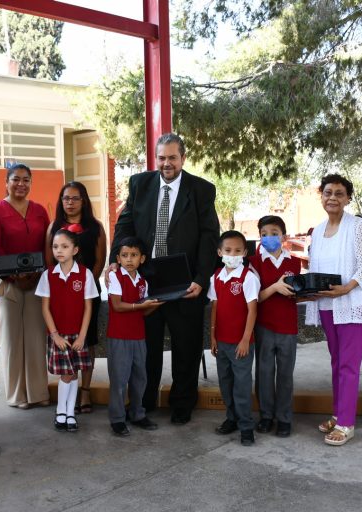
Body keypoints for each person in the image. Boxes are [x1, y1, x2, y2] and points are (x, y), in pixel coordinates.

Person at [111, 133, 220, 425]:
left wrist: (201, 277)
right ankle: (144, 402)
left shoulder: (201, 190)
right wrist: (114, 261)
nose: (166, 163)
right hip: (147, 277)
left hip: (185, 280)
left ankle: (182, 403)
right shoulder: (140, 184)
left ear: (183, 158)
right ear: (155, 158)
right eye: (161, 158)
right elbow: (125, 224)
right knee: (147, 346)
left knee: (186, 345)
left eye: (172, 157)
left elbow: (210, 238)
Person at [304, 175, 362, 446]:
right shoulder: (317, 229)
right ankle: (338, 414)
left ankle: (347, 423)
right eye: (328, 192)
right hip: (328, 304)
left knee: (349, 365)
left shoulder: (358, 226)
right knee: (337, 362)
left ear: (348, 198)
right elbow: (315, 267)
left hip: (352, 304)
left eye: (339, 193)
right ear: (321, 196)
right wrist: (310, 290)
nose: (333, 198)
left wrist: (347, 288)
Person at [0, 163, 51, 409]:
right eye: (16, 179)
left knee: (36, 337)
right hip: (8, 283)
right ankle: (17, 395)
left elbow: (48, 244)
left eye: (26, 180)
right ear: (6, 182)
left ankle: (38, 392)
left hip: (37, 282)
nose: (21, 184)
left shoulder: (39, 211)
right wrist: (14, 275)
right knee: (12, 339)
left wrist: (38, 273)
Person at [47, 181, 106, 414]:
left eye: (75, 198)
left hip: (87, 291)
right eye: (65, 198)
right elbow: (49, 261)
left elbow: (100, 260)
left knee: (87, 341)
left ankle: (85, 391)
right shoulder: (54, 227)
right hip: (61, 294)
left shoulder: (95, 227)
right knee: (65, 338)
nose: (69, 203)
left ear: (84, 201)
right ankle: (67, 386)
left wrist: (85, 284)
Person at [36, 229, 98, 433]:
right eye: (55, 247)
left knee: (72, 374)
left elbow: (88, 307)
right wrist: (55, 335)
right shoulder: (48, 275)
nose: (59, 251)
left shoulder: (85, 273)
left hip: (77, 334)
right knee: (66, 374)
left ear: (75, 249)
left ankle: (69, 412)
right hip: (59, 335)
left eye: (64, 246)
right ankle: (62, 412)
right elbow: (45, 307)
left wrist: (82, 335)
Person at [248, 215, 302, 438]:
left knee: (285, 375)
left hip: (288, 326)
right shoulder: (254, 262)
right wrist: (275, 288)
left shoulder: (294, 262)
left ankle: (284, 418)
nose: (269, 238)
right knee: (264, 372)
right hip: (264, 325)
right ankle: (266, 416)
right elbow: (253, 297)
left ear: (284, 236)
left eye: (274, 233)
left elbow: (299, 293)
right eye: (263, 234)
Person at [106, 237, 162, 436]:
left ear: (142, 258)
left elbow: (142, 312)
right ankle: (117, 419)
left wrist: (153, 306)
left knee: (140, 378)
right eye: (125, 255)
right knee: (119, 380)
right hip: (119, 336)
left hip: (138, 336)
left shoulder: (142, 282)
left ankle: (137, 414)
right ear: (118, 259)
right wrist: (142, 306)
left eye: (134, 255)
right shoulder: (114, 277)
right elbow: (117, 306)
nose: (129, 259)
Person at [208, 230, 260, 446]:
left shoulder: (248, 277)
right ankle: (232, 418)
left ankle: (246, 427)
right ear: (220, 252)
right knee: (225, 383)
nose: (232, 254)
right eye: (228, 250)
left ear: (244, 252)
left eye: (237, 250)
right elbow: (215, 307)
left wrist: (245, 339)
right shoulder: (216, 277)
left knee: (241, 386)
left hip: (241, 344)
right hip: (221, 342)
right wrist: (212, 336)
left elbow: (252, 310)